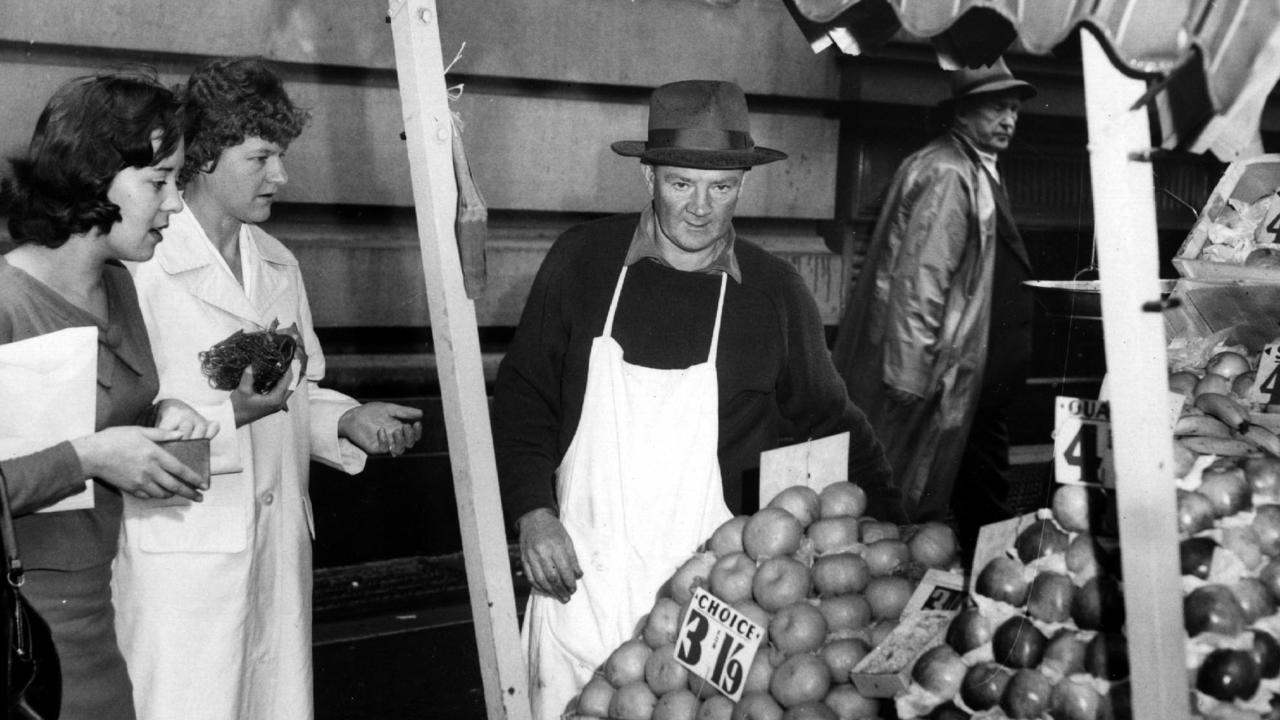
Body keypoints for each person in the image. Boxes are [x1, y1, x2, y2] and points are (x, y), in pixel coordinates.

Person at [492, 79, 904, 719]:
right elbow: (525, 396)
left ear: (743, 183)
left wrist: (895, 537)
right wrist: (531, 511)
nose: (700, 208)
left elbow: (832, 423)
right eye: (682, 184)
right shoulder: (583, 261)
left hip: (711, 601)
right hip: (582, 578)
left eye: (721, 187)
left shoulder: (773, 291)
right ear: (648, 177)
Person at [111, 56, 423, 720]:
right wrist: (233, 412)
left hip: (276, 550)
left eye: (281, 156)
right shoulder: (142, 267)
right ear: (205, 156)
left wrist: (344, 421)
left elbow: (296, 389)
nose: (281, 176)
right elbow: (124, 416)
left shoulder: (280, 262)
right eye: (261, 158)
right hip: (183, 555)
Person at [0, 71, 218, 720]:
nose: (175, 205)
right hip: (23, 637)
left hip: (99, 620)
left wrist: (158, 420)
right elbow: (79, 443)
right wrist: (91, 457)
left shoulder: (119, 284)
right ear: (94, 175)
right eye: (159, 182)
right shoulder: (8, 304)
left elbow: (88, 408)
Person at [832, 58, 1037, 554]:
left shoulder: (967, 164)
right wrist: (908, 374)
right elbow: (921, 278)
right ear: (962, 112)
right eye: (996, 107)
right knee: (933, 490)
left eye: (1014, 108)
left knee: (963, 487)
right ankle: (989, 578)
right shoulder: (949, 170)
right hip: (942, 374)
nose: (1009, 118)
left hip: (966, 369)